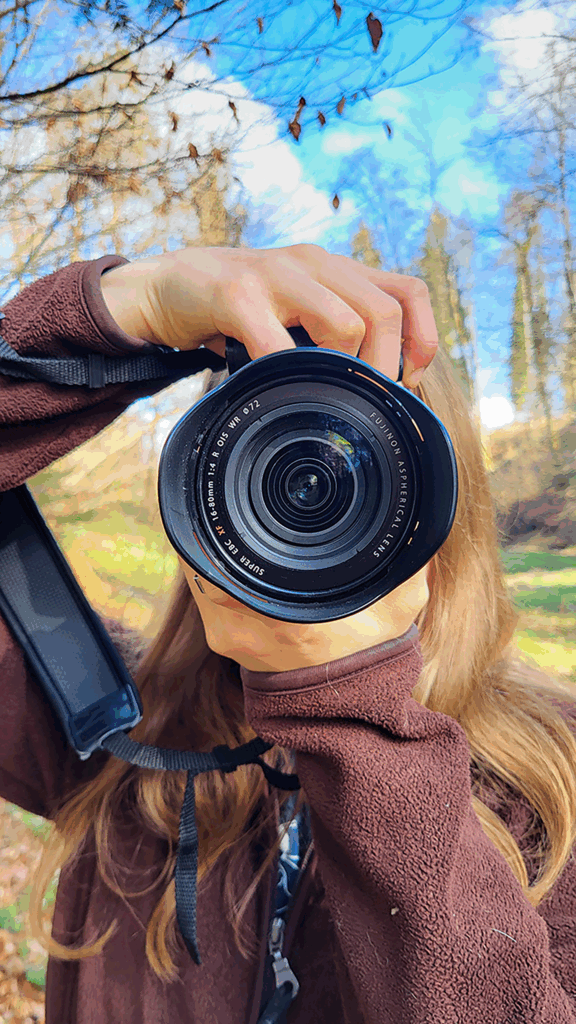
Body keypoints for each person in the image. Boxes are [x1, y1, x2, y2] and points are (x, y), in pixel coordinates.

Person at [0, 244, 575, 1024]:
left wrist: (362, 720)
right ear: (202, 507)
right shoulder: (111, 721)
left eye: (363, 459)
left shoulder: (557, 780)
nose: (310, 495)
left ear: (440, 493)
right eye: (263, 450)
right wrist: (113, 317)